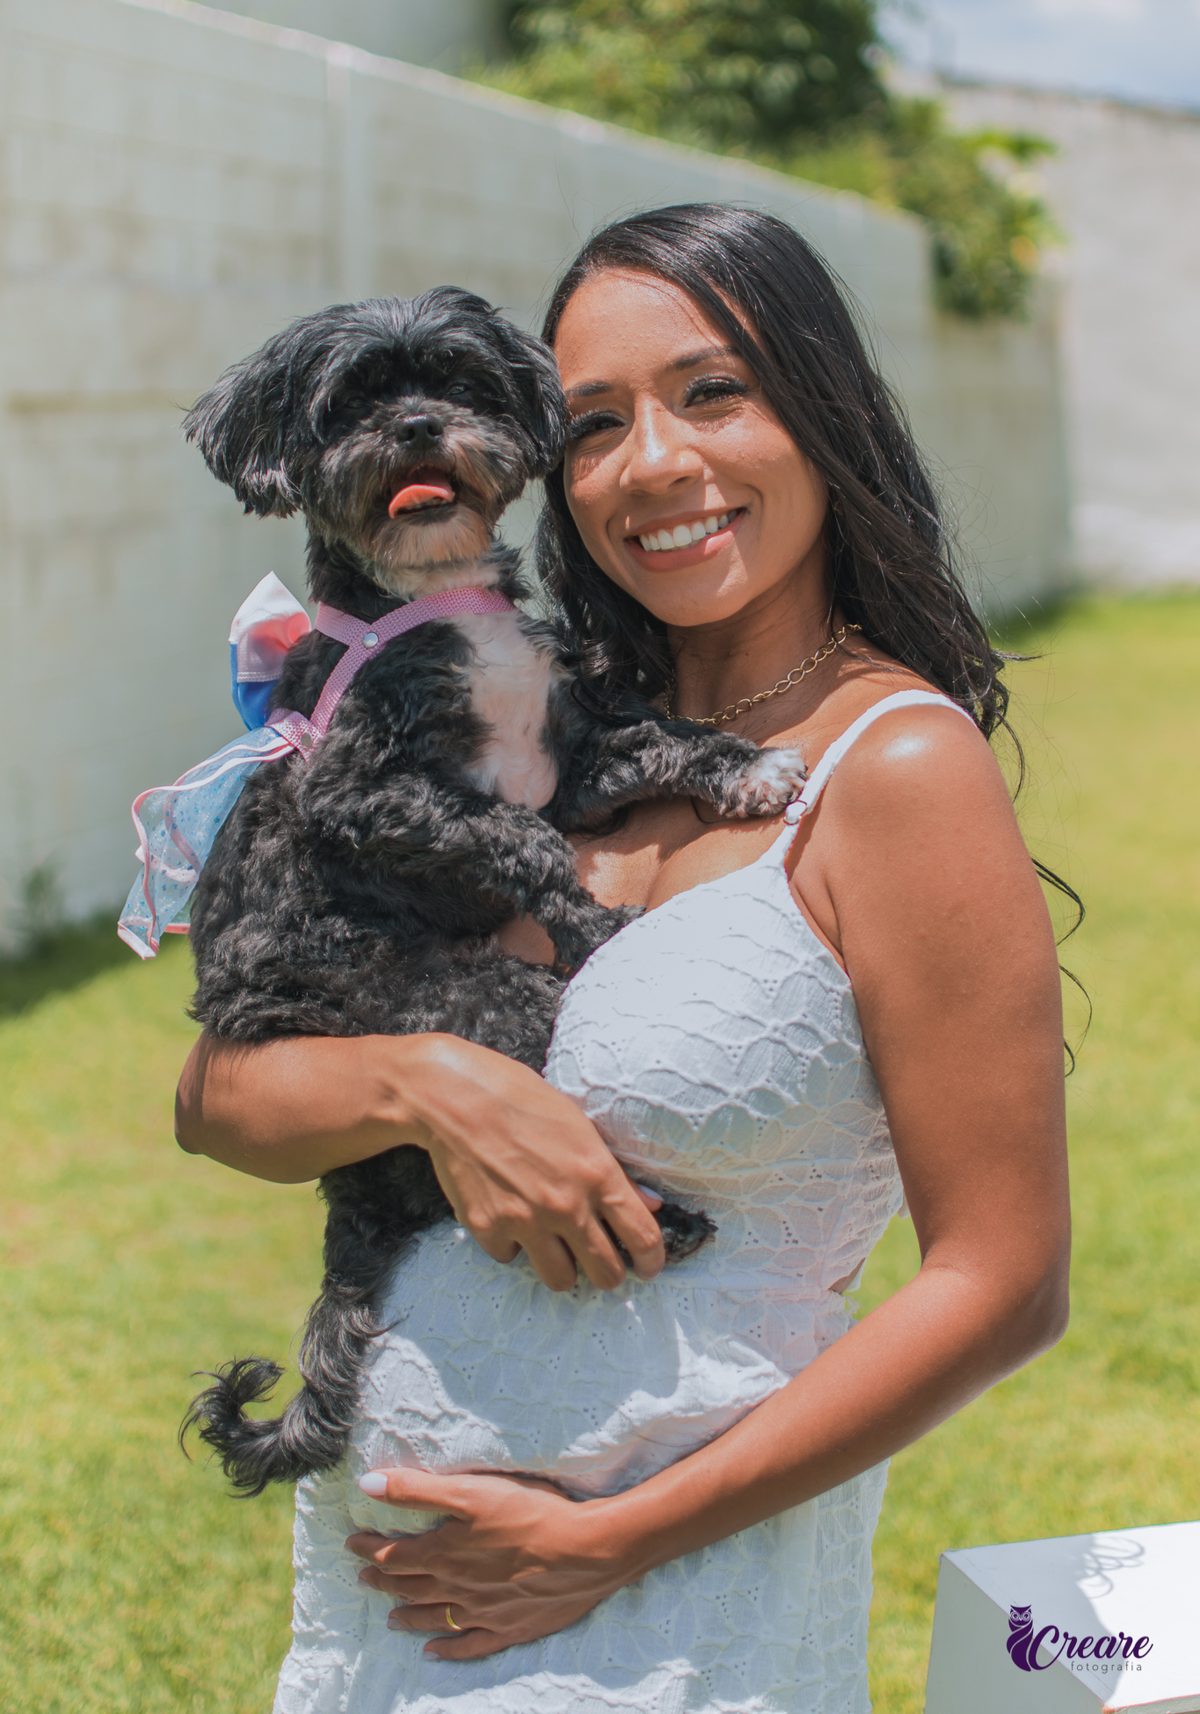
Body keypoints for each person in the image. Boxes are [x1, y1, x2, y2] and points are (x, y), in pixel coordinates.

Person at [175, 204, 1071, 1714]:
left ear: (824, 412)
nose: (653, 463)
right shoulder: (535, 716)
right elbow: (214, 1096)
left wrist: (608, 1542)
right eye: (595, 422)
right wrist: (433, 1083)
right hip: (391, 1589)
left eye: (713, 392)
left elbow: (1003, 1280)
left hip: (671, 1614)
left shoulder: (895, 769)